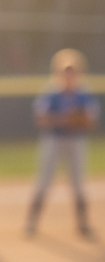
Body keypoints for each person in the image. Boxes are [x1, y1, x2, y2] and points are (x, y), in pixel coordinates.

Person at [25, 48, 100, 239]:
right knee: (44, 181)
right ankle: (31, 222)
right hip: (54, 140)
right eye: (65, 71)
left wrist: (69, 119)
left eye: (72, 71)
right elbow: (41, 118)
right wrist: (67, 118)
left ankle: (82, 224)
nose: (68, 75)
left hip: (75, 140)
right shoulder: (51, 94)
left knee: (78, 183)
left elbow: (91, 121)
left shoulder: (83, 94)